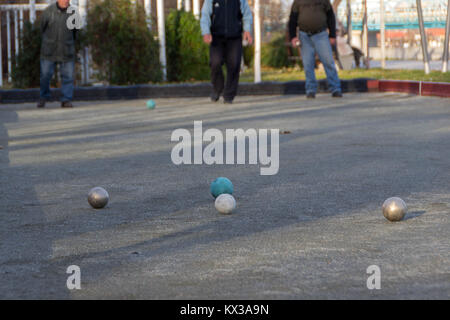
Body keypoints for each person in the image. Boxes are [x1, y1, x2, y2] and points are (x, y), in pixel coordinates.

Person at [200, 0, 253, 104]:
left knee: (234, 64)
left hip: (235, 36)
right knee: (215, 63)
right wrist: (206, 32)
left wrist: (247, 30)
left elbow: (247, 14)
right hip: (216, 36)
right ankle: (217, 88)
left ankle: (229, 95)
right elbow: (205, 15)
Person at [288, 0, 343, 99]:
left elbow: (330, 16)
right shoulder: (298, 1)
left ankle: (335, 89)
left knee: (328, 61)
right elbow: (292, 19)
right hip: (304, 36)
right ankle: (310, 90)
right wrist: (293, 36)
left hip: (321, 35)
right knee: (308, 64)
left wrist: (332, 35)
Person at [37, 0, 77, 108]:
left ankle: (66, 100)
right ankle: (43, 97)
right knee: (45, 75)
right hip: (49, 51)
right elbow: (41, 28)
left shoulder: (73, 13)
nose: (65, 1)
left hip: (66, 51)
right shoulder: (48, 12)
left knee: (68, 76)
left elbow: (75, 31)